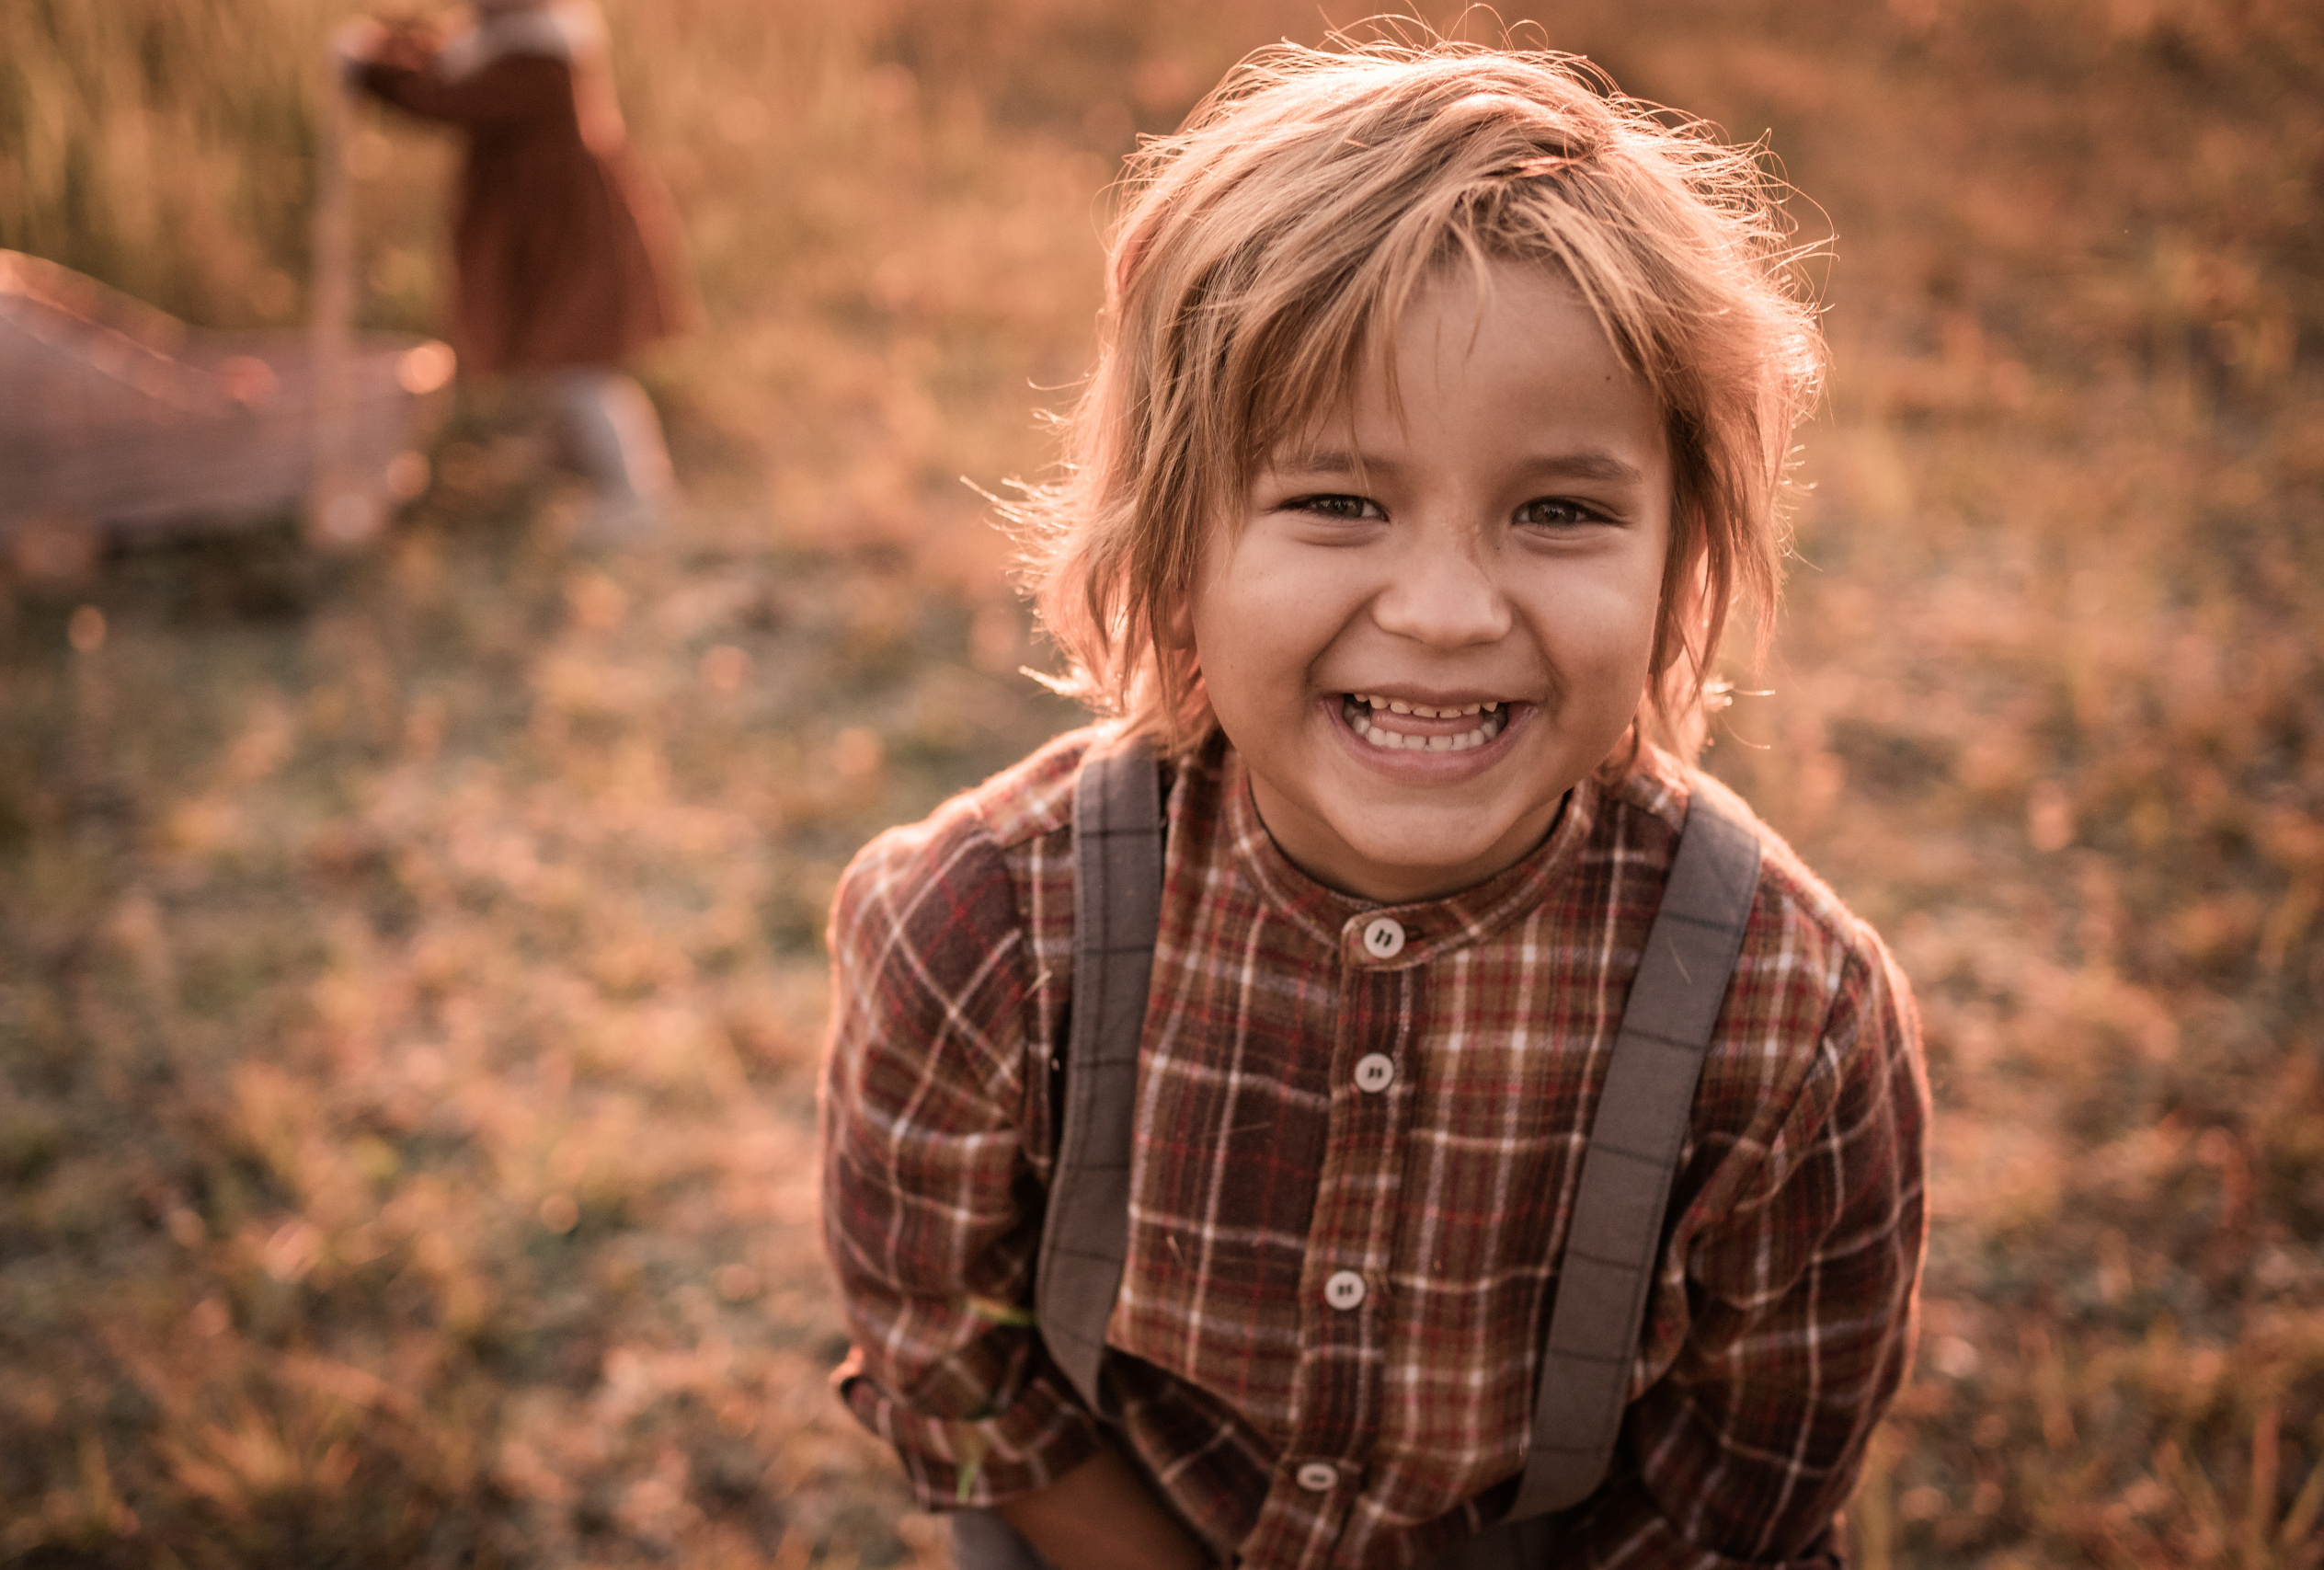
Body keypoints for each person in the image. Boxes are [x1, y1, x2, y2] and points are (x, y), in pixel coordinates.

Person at [820, 38, 1929, 1570]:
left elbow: (1743, 1492)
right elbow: (943, 1348)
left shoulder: (1790, 1023)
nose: (1449, 607)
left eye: (1560, 510)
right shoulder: (984, 928)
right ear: (1172, 547)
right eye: (1338, 502)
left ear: (1684, 568)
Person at [335, 0, 691, 535]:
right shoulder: (504, 45)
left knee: (579, 366)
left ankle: (636, 493)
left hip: (567, 239)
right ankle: (571, 468)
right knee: (558, 359)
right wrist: (380, 46)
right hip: (539, 234)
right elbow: (444, 62)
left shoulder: (539, 59)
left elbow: (448, 97)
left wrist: (369, 66)